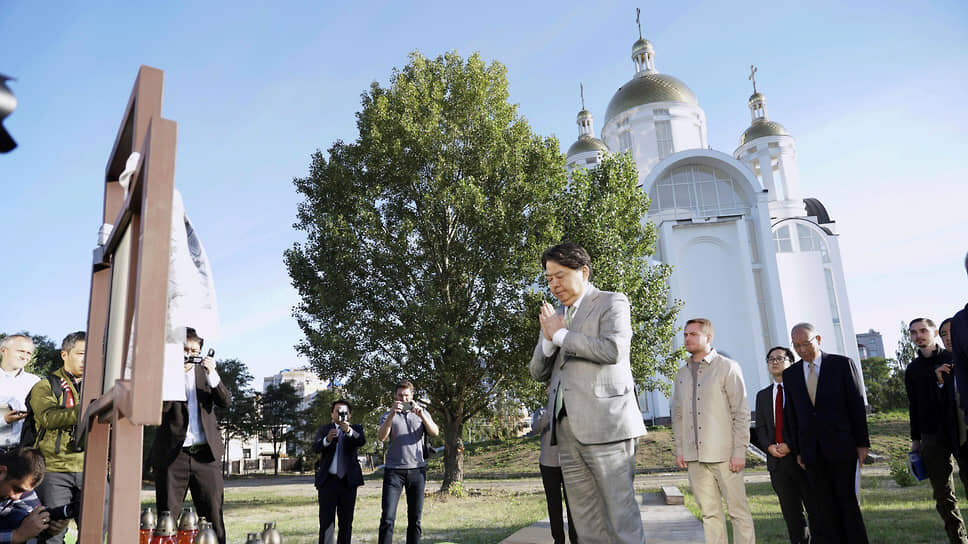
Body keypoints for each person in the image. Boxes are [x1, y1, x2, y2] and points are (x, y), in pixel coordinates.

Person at [529, 242, 646, 544]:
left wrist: (561, 335)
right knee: (585, 522)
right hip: (566, 433)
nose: (554, 284)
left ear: (583, 271)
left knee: (621, 517)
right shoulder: (555, 316)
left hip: (608, 426)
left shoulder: (611, 302)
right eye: (548, 278)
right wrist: (548, 341)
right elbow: (537, 371)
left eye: (560, 276)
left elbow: (612, 350)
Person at [783, 322, 869, 543]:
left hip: (843, 447)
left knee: (846, 502)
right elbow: (792, 414)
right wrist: (799, 450)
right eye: (796, 345)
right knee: (822, 506)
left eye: (805, 343)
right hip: (811, 452)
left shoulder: (841, 365)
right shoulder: (791, 374)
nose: (801, 349)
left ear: (818, 340)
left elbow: (856, 406)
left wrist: (862, 444)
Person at [670, 318, 754, 544]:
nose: (687, 338)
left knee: (738, 512)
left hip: (725, 455)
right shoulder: (681, 374)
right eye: (686, 334)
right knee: (709, 514)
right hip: (694, 457)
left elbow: (741, 412)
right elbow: (677, 415)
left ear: (708, 338)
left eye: (693, 334)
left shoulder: (727, 367)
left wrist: (739, 451)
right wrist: (680, 449)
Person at [149, 328, 231, 544]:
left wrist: (212, 374)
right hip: (173, 456)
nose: (189, 353)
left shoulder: (205, 375)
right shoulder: (164, 374)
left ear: (202, 351)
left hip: (205, 455)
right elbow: (158, 410)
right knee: (167, 519)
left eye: (194, 350)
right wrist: (174, 374)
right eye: (184, 349)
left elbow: (225, 401)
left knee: (214, 516)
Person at [29, 331, 85, 544]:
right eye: (80, 354)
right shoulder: (46, 385)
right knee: (52, 533)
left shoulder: (99, 386)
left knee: (98, 527)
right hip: (54, 469)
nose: (85, 360)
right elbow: (48, 418)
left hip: (91, 467)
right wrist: (87, 410)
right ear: (64, 354)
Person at [755, 346, 813, 544]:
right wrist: (769, 447)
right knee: (791, 513)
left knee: (815, 509)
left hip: (801, 459)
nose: (774, 361)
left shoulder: (802, 390)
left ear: (791, 362)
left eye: (780, 358)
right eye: (770, 359)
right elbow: (761, 428)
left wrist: (791, 445)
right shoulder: (762, 395)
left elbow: (807, 423)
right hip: (777, 464)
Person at [376, 380, 439, 544]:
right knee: (388, 517)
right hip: (394, 472)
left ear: (412, 396)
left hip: (417, 471)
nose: (403, 399)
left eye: (406, 395)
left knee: (415, 518)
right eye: (400, 395)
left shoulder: (421, 412)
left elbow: (435, 432)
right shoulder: (387, 414)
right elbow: (381, 437)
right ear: (395, 396)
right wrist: (391, 414)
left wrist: (422, 415)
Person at [313, 399, 365, 544]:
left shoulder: (356, 429)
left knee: (346, 523)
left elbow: (361, 440)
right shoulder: (325, 429)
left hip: (348, 483)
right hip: (328, 482)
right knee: (326, 523)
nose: (341, 414)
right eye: (338, 411)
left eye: (344, 412)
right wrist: (327, 439)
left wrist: (348, 431)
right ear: (332, 414)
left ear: (350, 415)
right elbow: (316, 447)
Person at [533, 398, 579, 544]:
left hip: (568, 463)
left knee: (573, 504)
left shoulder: (570, 411)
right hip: (548, 464)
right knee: (554, 505)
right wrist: (549, 412)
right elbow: (536, 428)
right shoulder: (541, 412)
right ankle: (558, 540)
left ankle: (575, 539)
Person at [0, 448, 69, 544]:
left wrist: (50, 526)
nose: (17, 497)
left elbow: (35, 515)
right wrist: (17, 535)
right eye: (16, 489)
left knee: (24, 520)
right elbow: (20, 534)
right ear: (2, 471)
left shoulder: (16, 479)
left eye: (23, 491)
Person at [0, 336, 40, 454]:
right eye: (20, 351)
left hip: (24, 452)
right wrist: (4, 420)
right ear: (3, 350)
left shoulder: (35, 382)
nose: (25, 356)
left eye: (29, 353)